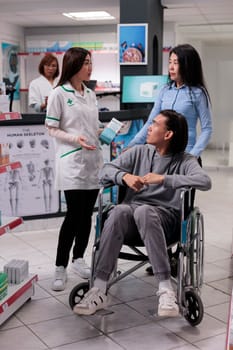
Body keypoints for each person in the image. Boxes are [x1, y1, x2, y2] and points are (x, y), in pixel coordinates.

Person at [73, 109, 211, 317]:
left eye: (155, 124)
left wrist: (164, 179)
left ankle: (166, 290)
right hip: (132, 220)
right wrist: (124, 176)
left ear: (168, 134)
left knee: (145, 211)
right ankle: (99, 289)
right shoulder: (139, 152)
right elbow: (105, 170)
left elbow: (205, 182)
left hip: (166, 221)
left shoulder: (185, 160)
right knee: (119, 210)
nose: (149, 127)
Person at [45, 47, 103, 291]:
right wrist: (74, 139)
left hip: (92, 162)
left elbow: (92, 125)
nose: (90, 67)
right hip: (71, 162)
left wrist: (105, 131)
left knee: (87, 214)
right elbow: (51, 128)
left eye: (91, 62)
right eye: (86, 63)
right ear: (75, 65)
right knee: (73, 216)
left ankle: (79, 260)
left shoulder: (90, 94)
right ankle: (60, 267)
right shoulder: (59, 93)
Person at [128, 44, 212, 159]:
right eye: (170, 62)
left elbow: (207, 129)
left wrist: (193, 156)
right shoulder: (165, 90)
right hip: (162, 155)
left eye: (176, 63)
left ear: (187, 66)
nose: (171, 67)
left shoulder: (198, 93)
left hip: (186, 154)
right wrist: (133, 145)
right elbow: (150, 122)